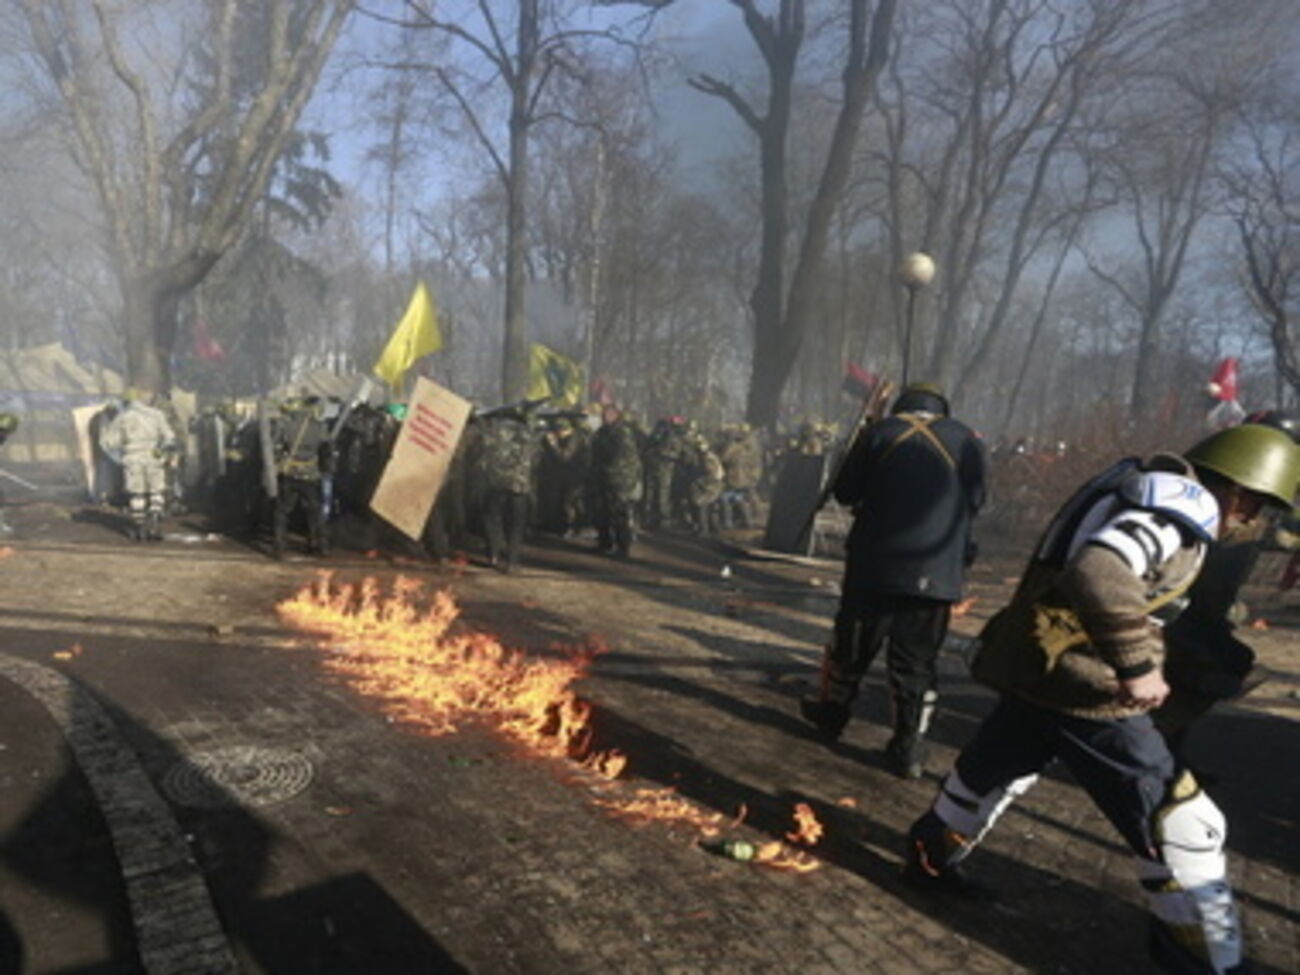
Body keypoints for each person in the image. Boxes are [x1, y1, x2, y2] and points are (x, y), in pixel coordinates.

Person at [903, 424, 1300, 975]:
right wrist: (1136, 666)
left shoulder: (1143, 484)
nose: (1250, 519)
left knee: (989, 774)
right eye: (1254, 503)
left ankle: (929, 857)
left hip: (1041, 671)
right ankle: (1203, 958)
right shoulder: (1180, 505)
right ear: (1236, 487)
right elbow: (1100, 569)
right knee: (1184, 821)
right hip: (1088, 688)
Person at [800, 382, 987, 778]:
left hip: (874, 566)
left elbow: (847, 492)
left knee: (851, 649)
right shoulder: (967, 439)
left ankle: (831, 716)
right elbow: (976, 501)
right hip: (937, 571)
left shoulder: (879, 433)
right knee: (917, 663)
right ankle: (908, 749)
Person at [1157, 410, 1300, 762]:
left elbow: (1282, 528)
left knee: (1227, 665)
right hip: (1185, 602)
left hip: (1214, 602)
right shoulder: (1228, 481)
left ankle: (1169, 752)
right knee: (1191, 671)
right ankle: (1155, 750)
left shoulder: (1270, 480)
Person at [98, 390, 177, 541]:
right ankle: (155, 524)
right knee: (156, 492)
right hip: (154, 457)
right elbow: (170, 438)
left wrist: (107, 425)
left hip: (132, 459)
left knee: (137, 494)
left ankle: (139, 529)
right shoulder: (156, 414)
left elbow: (109, 443)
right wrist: (161, 452)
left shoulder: (122, 418)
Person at [477, 405, 538, 572]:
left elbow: (483, 452)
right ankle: (512, 561)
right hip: (519, 485)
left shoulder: (493, 432)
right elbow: (536, 455)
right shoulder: (528, 432)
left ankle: (493, 555)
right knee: (516, 525)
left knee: (492, 519)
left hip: (495, 483)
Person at [271, 396, 333, 559]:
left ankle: (279, 547)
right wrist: (326, 470)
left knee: (282, 512)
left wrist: (277, 464)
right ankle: (320, 546)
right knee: (315, 512)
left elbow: (275, 447)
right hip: (311, 474)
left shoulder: (285, 425)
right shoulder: (319, 427)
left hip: (289, 472)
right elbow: (326, 450)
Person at [589, 404, 643, 558]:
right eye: (603, 414)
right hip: (602, 478)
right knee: (601, 512)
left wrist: (609, 472)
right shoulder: (603, 432)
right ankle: (605, 542)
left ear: (616, 415)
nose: (604, 416)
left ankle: (622, 547)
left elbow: (622, 458)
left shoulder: (622, 433)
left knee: (619, 514)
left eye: (608, 413)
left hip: (620, 480)